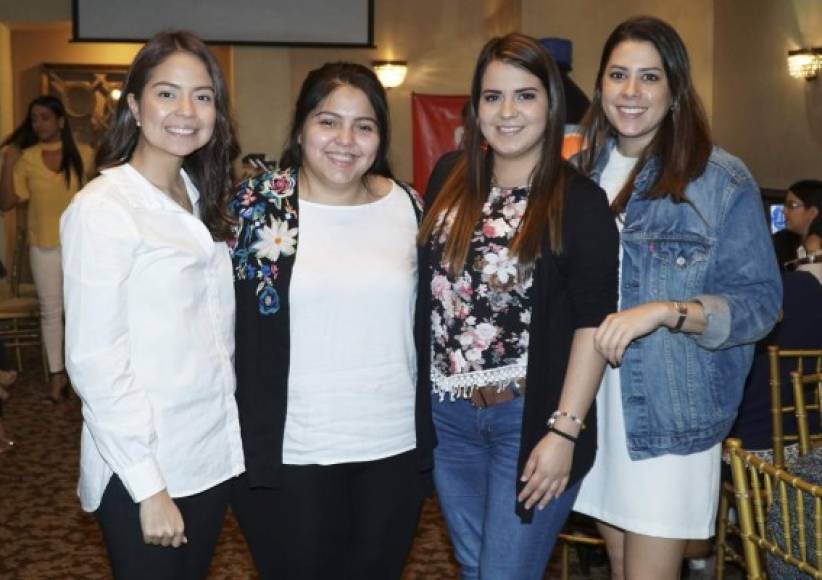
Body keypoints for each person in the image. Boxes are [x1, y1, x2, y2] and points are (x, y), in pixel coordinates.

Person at [571, 16, 782, 580]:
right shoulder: (576, 175)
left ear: (675, 90)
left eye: (650, 77)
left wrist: (667, 311)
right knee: (617, 562)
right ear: (600, 86)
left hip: (671, 409)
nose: (631, 92)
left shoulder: (719, 179)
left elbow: (761, 303)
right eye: (618, 75)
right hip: (590, 405)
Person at [417, 33, 619, 579]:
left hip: (528, 422)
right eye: (492, 96)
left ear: (551, 104)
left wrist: (564, 432)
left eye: (525, 96)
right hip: (448, 419)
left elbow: (591, 324)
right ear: (475, 106)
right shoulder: (448, 178)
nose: (507, 112)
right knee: (476, 568)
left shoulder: (579, 201)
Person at [229, 62, 429, 580]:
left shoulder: (408, 206)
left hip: (393, 447)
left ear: (380, 137)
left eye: (364, 125)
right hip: (290, 450)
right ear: (300, 128)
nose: (346, 140)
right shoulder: (258, 208)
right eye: (328, 121)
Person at [61, 31, 244, 580]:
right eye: (167, 94)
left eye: (203, 96)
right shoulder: (105, 208)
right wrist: (149, 486)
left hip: (207, 455)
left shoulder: (197, 196)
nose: (186, 111)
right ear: (135, 106)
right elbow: (95, 362)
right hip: (146, 467)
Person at [0, 95, 94, 402]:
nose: (38, 124)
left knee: (84, 311)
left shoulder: (83, 154)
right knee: (52, 312)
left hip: (82, 246)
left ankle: (85, 374)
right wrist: (8, 164)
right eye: (34, 119)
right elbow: (7, 202)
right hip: (43, 246)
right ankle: (57, 374)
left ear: (60, 122)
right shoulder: (26, 158)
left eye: (44, 117)